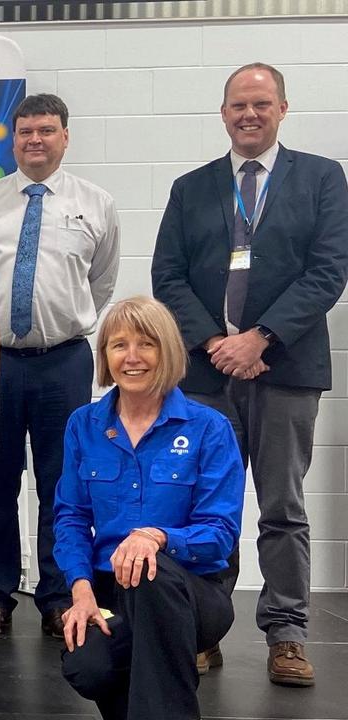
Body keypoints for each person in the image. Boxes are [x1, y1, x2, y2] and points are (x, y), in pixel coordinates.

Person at [151, 62, 348, 686]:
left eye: (261, 104)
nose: (249, 115)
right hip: (208, 375)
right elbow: (168, 276)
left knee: (283, 507)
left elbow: (329, 270)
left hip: (286, 368)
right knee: (203, 505)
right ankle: (202, 632)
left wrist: (261, 337)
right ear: (223, 112)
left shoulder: (322, 178)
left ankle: (286, 634)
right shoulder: (192, 187)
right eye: (238, 105)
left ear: (283, 109)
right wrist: (215, 342)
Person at [0, 93, 120, 638]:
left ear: (65, 136)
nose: (35, 140)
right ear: (13, 138)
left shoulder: (95, 204)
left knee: (64, 483)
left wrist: (63, 322)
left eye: (46, 131)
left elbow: (100, 283)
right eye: (25, 131)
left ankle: (57, 594)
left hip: (65, 362)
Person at [55, 296, 244, 720]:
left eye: (147, 344)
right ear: (105, 356)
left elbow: (220, 533)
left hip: (192, 593)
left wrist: (157, 537)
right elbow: (70, 517)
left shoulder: (209, 428)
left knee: (148, 573)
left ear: (168, 351)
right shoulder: (83, 425)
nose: (132, 357)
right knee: (88, 668)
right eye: (118, 345)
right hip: (108, 592)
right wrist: (80, 589)